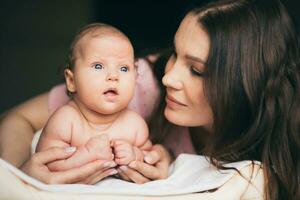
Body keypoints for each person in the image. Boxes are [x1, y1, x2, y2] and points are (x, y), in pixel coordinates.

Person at [0, 0, 299, 199]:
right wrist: (23, 176)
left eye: (195, 70)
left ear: (245, 86)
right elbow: (18, 118)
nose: (168, 77)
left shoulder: (282, 140)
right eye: (174, 54)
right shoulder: (137, 83)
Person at [35, 23, 152, 173]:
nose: (113, 76)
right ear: (71, 81)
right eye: (98, 66)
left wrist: (135, 154)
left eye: (124, 68)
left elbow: (149, 159)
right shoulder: (66, 121)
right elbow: (45, 165)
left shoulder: (135, 125)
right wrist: (85, 155)